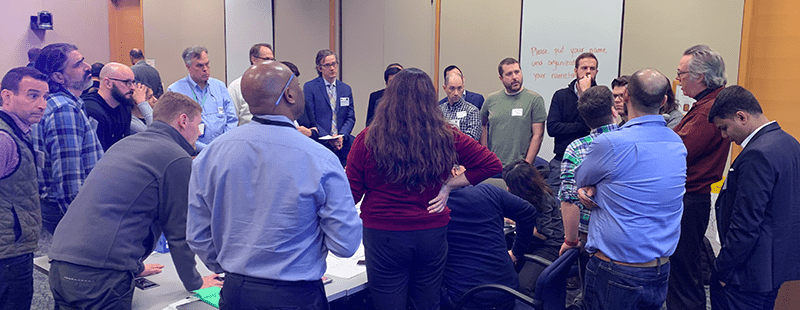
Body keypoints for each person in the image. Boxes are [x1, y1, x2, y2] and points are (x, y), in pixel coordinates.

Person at [187, 61, 361, 310]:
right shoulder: (319, 159)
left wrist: (232, 267)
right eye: (298, 85)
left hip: (236, 293)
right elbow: (345, 243)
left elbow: (197, 235)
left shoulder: (211, 155)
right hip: (296, 296)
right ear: (289, 95)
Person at [48, 92, 223, 309]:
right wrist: (196, 283)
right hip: (101, 276)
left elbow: (117, 210)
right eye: (199, 124)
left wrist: (136, 266)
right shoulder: (176, 157)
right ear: (183, 120)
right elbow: (179, 232)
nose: (199, 132)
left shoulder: (127, 144)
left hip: (61, 264)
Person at [347, 68, 502, 310]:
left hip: (383, 234)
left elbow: (351, 194)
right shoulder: (446, 136)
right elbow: (491, 164)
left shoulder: (368, 138)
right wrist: (448, 186)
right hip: (431, 231)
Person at [572, 68, 687, 310]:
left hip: (616, 271)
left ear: (625, 98)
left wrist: (591, 187)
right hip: (660, 269)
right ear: (665, 100)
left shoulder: (610, 144)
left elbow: (581, 178)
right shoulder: (677, 143)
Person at [707, 86, 800, 310]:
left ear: (741, 116)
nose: (724, 136)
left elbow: (745, 224)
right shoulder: (790, 143)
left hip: (745, 276)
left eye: (724, 127)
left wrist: (723, 270)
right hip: (773, 269)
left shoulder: (756, 154)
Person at [668, 44, 730, 310]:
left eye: (681, 74)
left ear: (700, 77)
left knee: (683, 273)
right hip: (692, 198)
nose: (678, 80)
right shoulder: (705, 104)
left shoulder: (708, 110)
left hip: (690, 199)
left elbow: (677, 149)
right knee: (683, 270)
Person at [442, 165, 538, 310]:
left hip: (466, 298)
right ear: (453, 172)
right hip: (507, 291)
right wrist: (516, 252)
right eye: (463, 168)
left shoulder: (431, 208)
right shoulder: (488, 191)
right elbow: (528, 212)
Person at [32, 43, 104, 234]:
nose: (88, 67)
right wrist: (83, 227)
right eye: (78, 64)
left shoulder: (64, 103)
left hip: (62, 208)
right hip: (71, 211)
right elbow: (69, 181)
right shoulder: (64, 109)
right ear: (58, 77)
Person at [0, 67, 49, 310]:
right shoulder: (4, 138)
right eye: (33, 96)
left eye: (45, 97)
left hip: (13, 245)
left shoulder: (17, 131)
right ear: (7, 97)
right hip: (8, 253)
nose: (42, 105)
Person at [559, 86, 619, 255]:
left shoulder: (576, 148)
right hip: (628, 236)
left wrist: (570, 241)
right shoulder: (632, 141)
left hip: (590, 238)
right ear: (614, 111)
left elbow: (569, 199)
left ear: (585, 119)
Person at [503, 160, 563, 297]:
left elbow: (543, 233)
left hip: (548, 246)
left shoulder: (543, 199)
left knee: (522, 287)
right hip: (531, 242)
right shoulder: (526, 196)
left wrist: (519, 221)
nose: (507, 189)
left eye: (510, 186)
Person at [167, 45, 237, 152]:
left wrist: (223, 144)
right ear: (188, 67)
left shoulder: (219, 86)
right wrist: (207, 149)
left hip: (223, 149)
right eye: (199, 66)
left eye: (207, 64)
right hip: (193, 152)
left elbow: (232, 119)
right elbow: (176, 129)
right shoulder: (175, 91)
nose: (205, 69)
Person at [480, 58, 547, 166]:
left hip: (519, 166)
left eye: (517, 72)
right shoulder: (491, 99)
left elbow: (538, 135)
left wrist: (526, 164)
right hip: (494, 164)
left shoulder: (534, 99)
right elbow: (482, 124)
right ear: (501, 78)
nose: (515, 77)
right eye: (509, 74)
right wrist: (485, 153)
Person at [545, 53, 596, 192]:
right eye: (584, 68)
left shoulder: (602, 96)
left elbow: (598, 126)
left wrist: (585, 93)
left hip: (591, 161)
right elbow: (552, 128)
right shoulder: (561, 96)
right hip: (562, 159)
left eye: (592, 68)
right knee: (551, 199)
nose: (588, 72)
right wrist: (583, 128)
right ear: (575, 71)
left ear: (596, 72)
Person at [301, 49, 356, 166]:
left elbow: (350, 117)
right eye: (327, 65)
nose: (332, 68)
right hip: (320, 144)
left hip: (342, 144)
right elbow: (311, 118)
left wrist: (341, 136)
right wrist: (328, 138)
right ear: (320, 68)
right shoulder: (310, 88)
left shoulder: (345, 89)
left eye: (334, 64)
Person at [81, 62, 148, 150]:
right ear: (108, 83)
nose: (132, 88)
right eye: (127, 82)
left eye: (133, 82)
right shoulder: (92, 111)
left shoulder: (124, 106)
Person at [227, 43, 274, 126]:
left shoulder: (276, 85)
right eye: (266, 59)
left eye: (272, 60)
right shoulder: (236, 87)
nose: (270, 63)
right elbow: (231, 121)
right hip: (247, 135)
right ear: (254, 60)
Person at [439, 71, 481, 140]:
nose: (456, 93)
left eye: (459, 88)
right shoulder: (439, 110)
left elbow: (472, 140)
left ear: (463, 88)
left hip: (464, 150)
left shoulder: (472, 111)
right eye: (452, 88)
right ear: (444, 88)